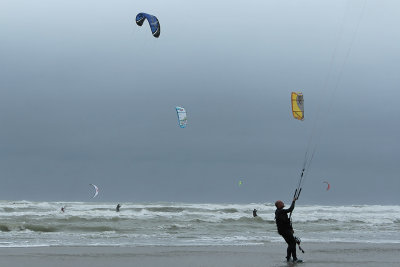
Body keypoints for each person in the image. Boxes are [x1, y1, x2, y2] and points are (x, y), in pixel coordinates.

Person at [275, 197, 302, 263]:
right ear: (278, 205)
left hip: (283, 230)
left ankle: (288, 258)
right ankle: (295, 259)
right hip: (285, 231)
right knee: (293, 243)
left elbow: (286, 221)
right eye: (281, 203)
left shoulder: (279, 211)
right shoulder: (280, 211)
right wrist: (293, 201)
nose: (283, 203)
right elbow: (290, 209)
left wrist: (291, 228)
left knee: (290, 244)